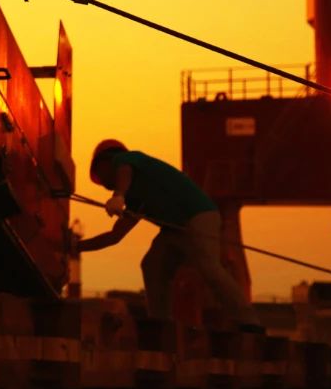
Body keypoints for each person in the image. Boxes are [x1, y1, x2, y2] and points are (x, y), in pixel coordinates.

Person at [76, 139, 262, 331]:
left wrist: (118, 196)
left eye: (99, 175)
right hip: (174, 229)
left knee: (210, 268)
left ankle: (249, 322)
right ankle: (160, 323)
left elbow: (124, 170)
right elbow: (115, 236)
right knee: (153, 264)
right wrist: (77, 247)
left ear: (106, 161)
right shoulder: (135, 199)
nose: (102, 184)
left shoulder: (128, 159)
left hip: (198, 214)